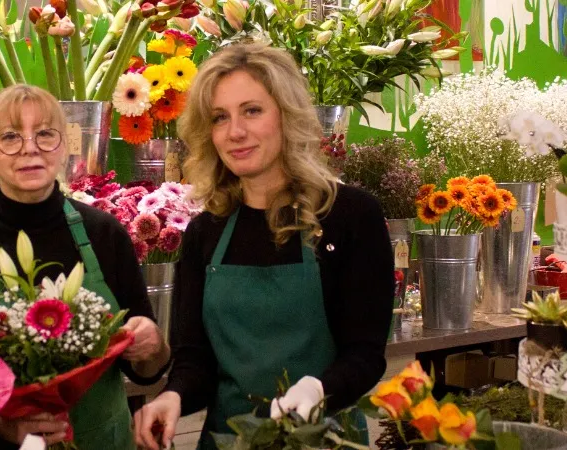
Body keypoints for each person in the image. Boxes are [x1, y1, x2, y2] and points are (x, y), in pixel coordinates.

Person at [132, 43, 394, 450]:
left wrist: (316, 392)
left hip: (325, 440)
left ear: (286, 117)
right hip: (227, 441)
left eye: (252, 110)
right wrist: (173, 396)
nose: (235, 132)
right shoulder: (205, 232)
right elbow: (194, 361)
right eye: (220, 118)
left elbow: (365, 354)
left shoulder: (349, 217)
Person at [0, 84, 172, 449]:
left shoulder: (104, 234)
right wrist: (3, 424)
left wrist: (154, 348)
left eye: (44, 134)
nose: (29, 147)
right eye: (10, 136)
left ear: (64, 147)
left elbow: (144, 369)